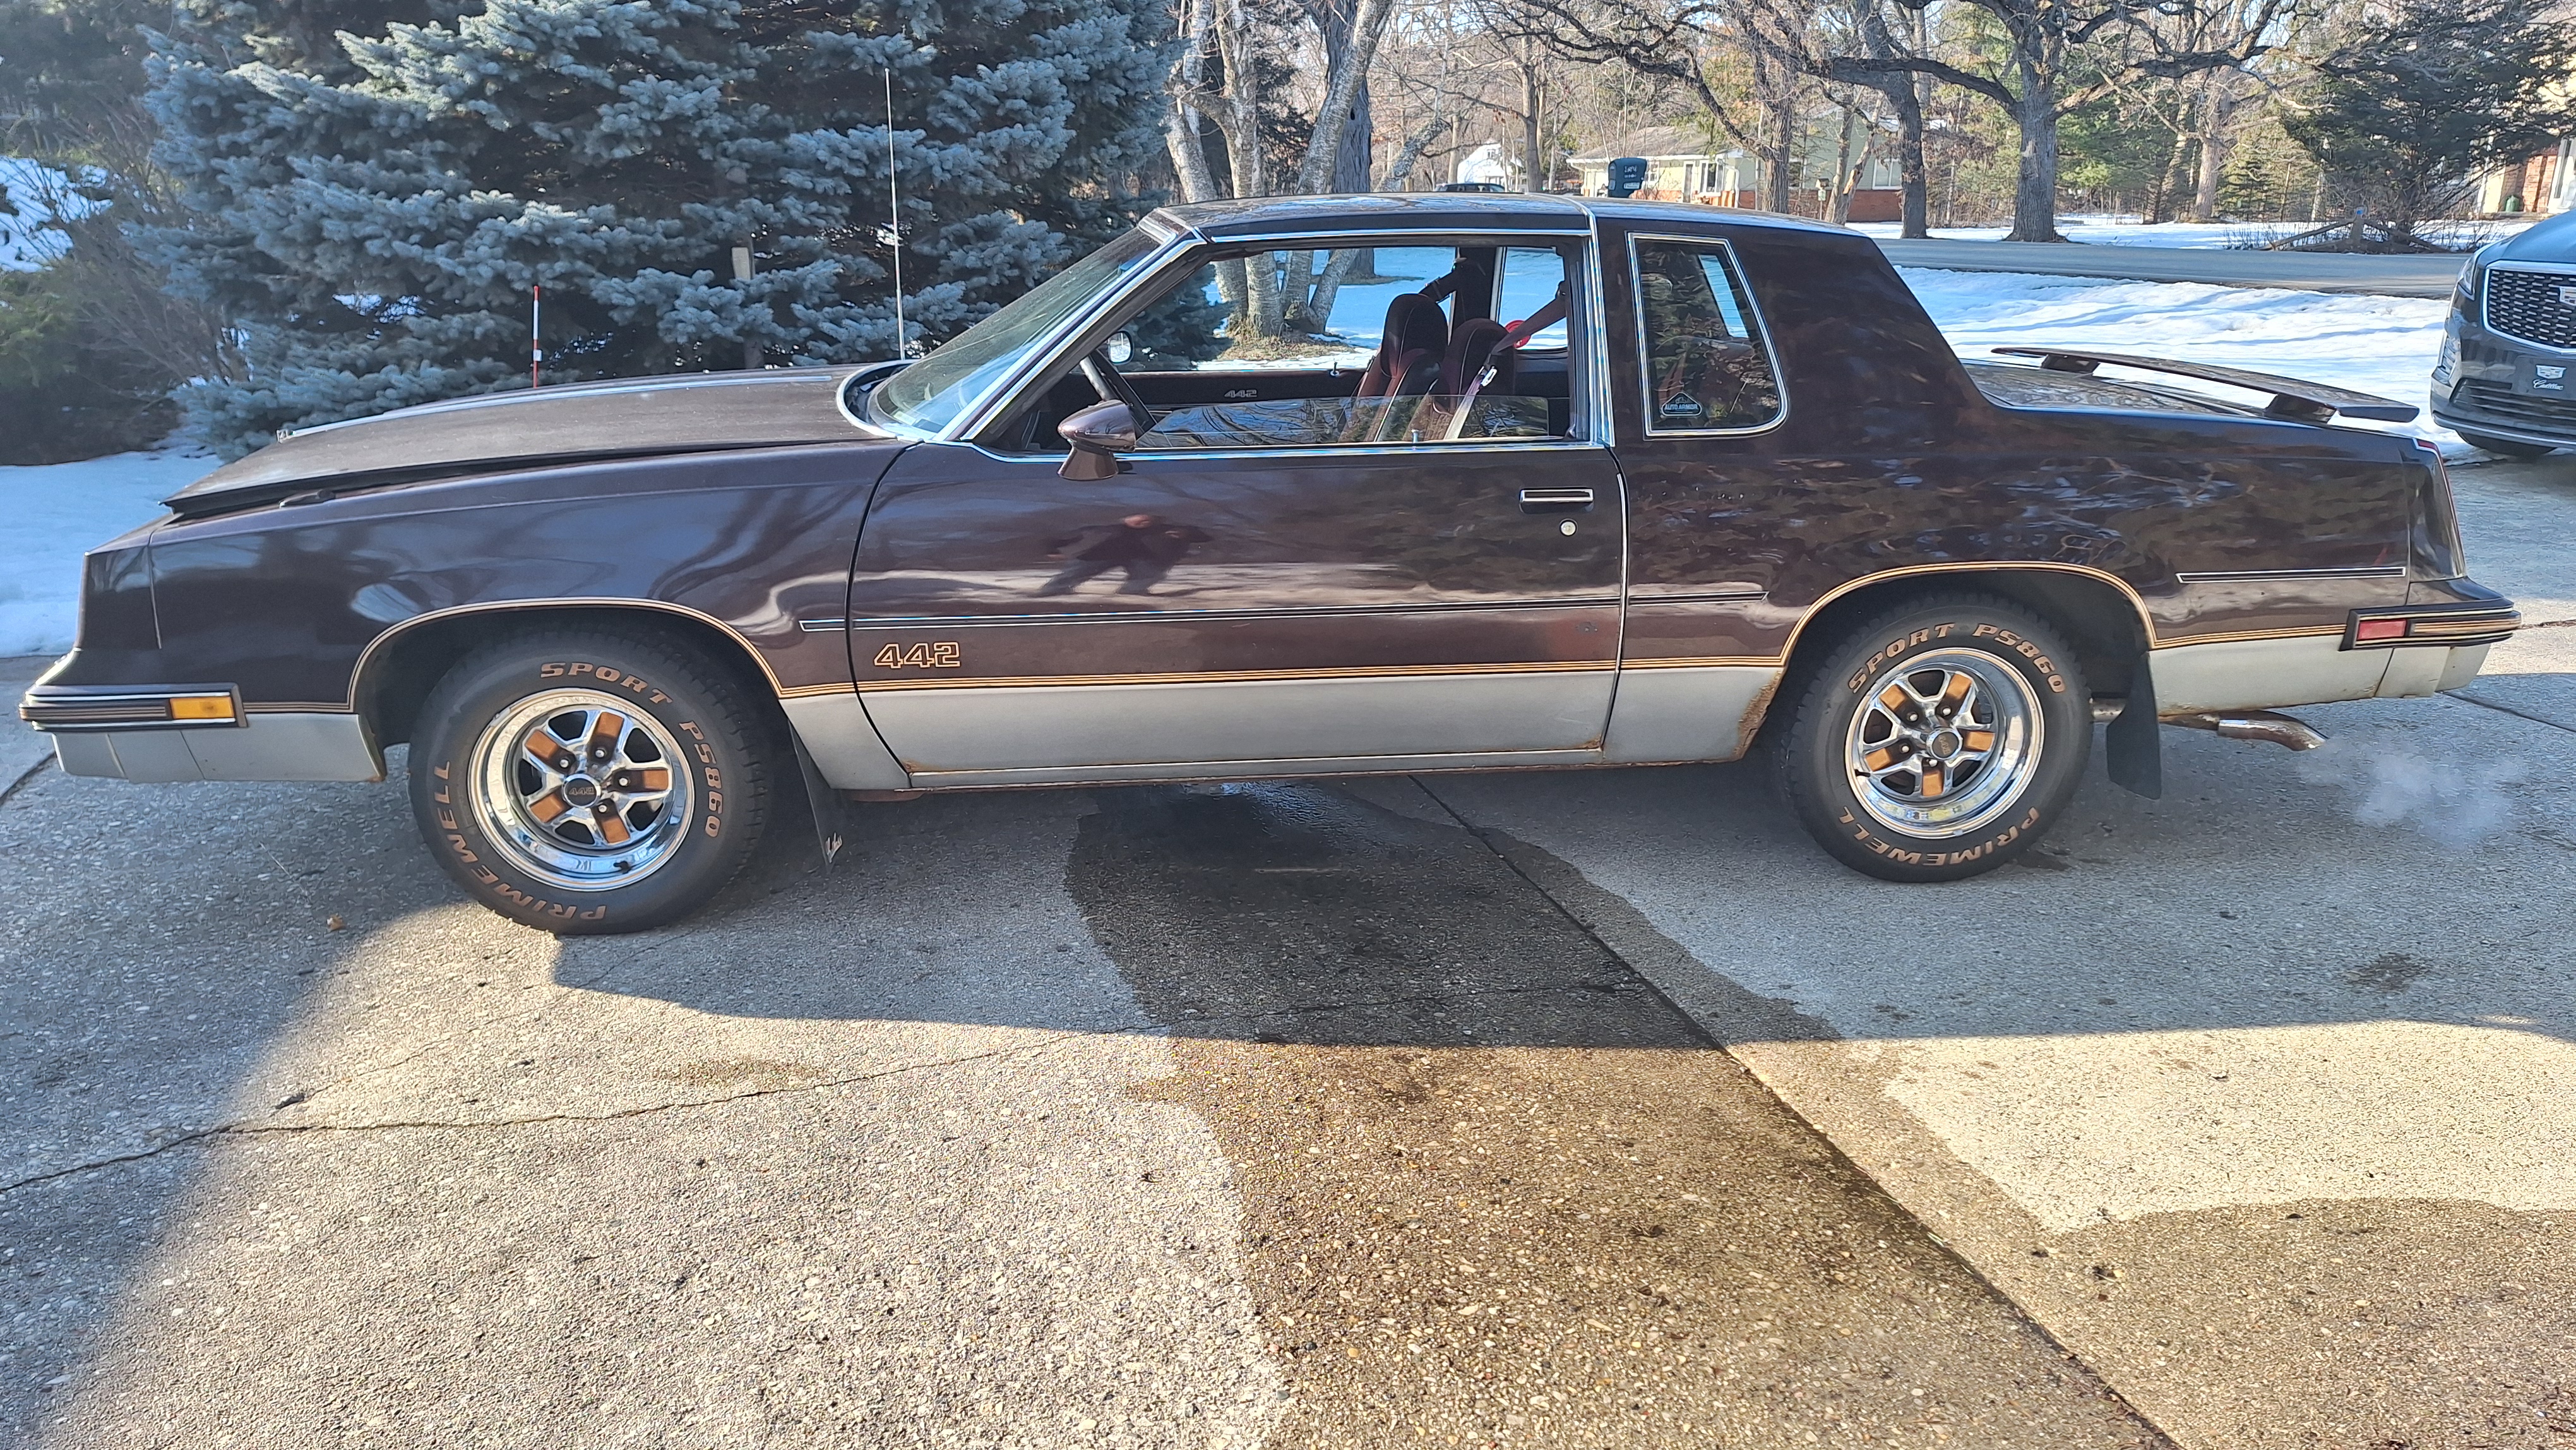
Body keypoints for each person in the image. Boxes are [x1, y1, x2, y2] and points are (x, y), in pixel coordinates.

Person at [1035, 513, 1212, 596]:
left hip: (1144, 557)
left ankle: (1133, 592)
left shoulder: (1168, 529)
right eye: (1139, 517)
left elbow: (1204, 536)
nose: (1143, 521)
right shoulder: (1102, 527)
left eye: (1148, 519)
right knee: (1075, 572)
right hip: (1100, 555)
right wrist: (1052, 549)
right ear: (1126, 517)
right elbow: (1067, 536)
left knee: (1149, 573)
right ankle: (1053, 591)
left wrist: (1185, 534)